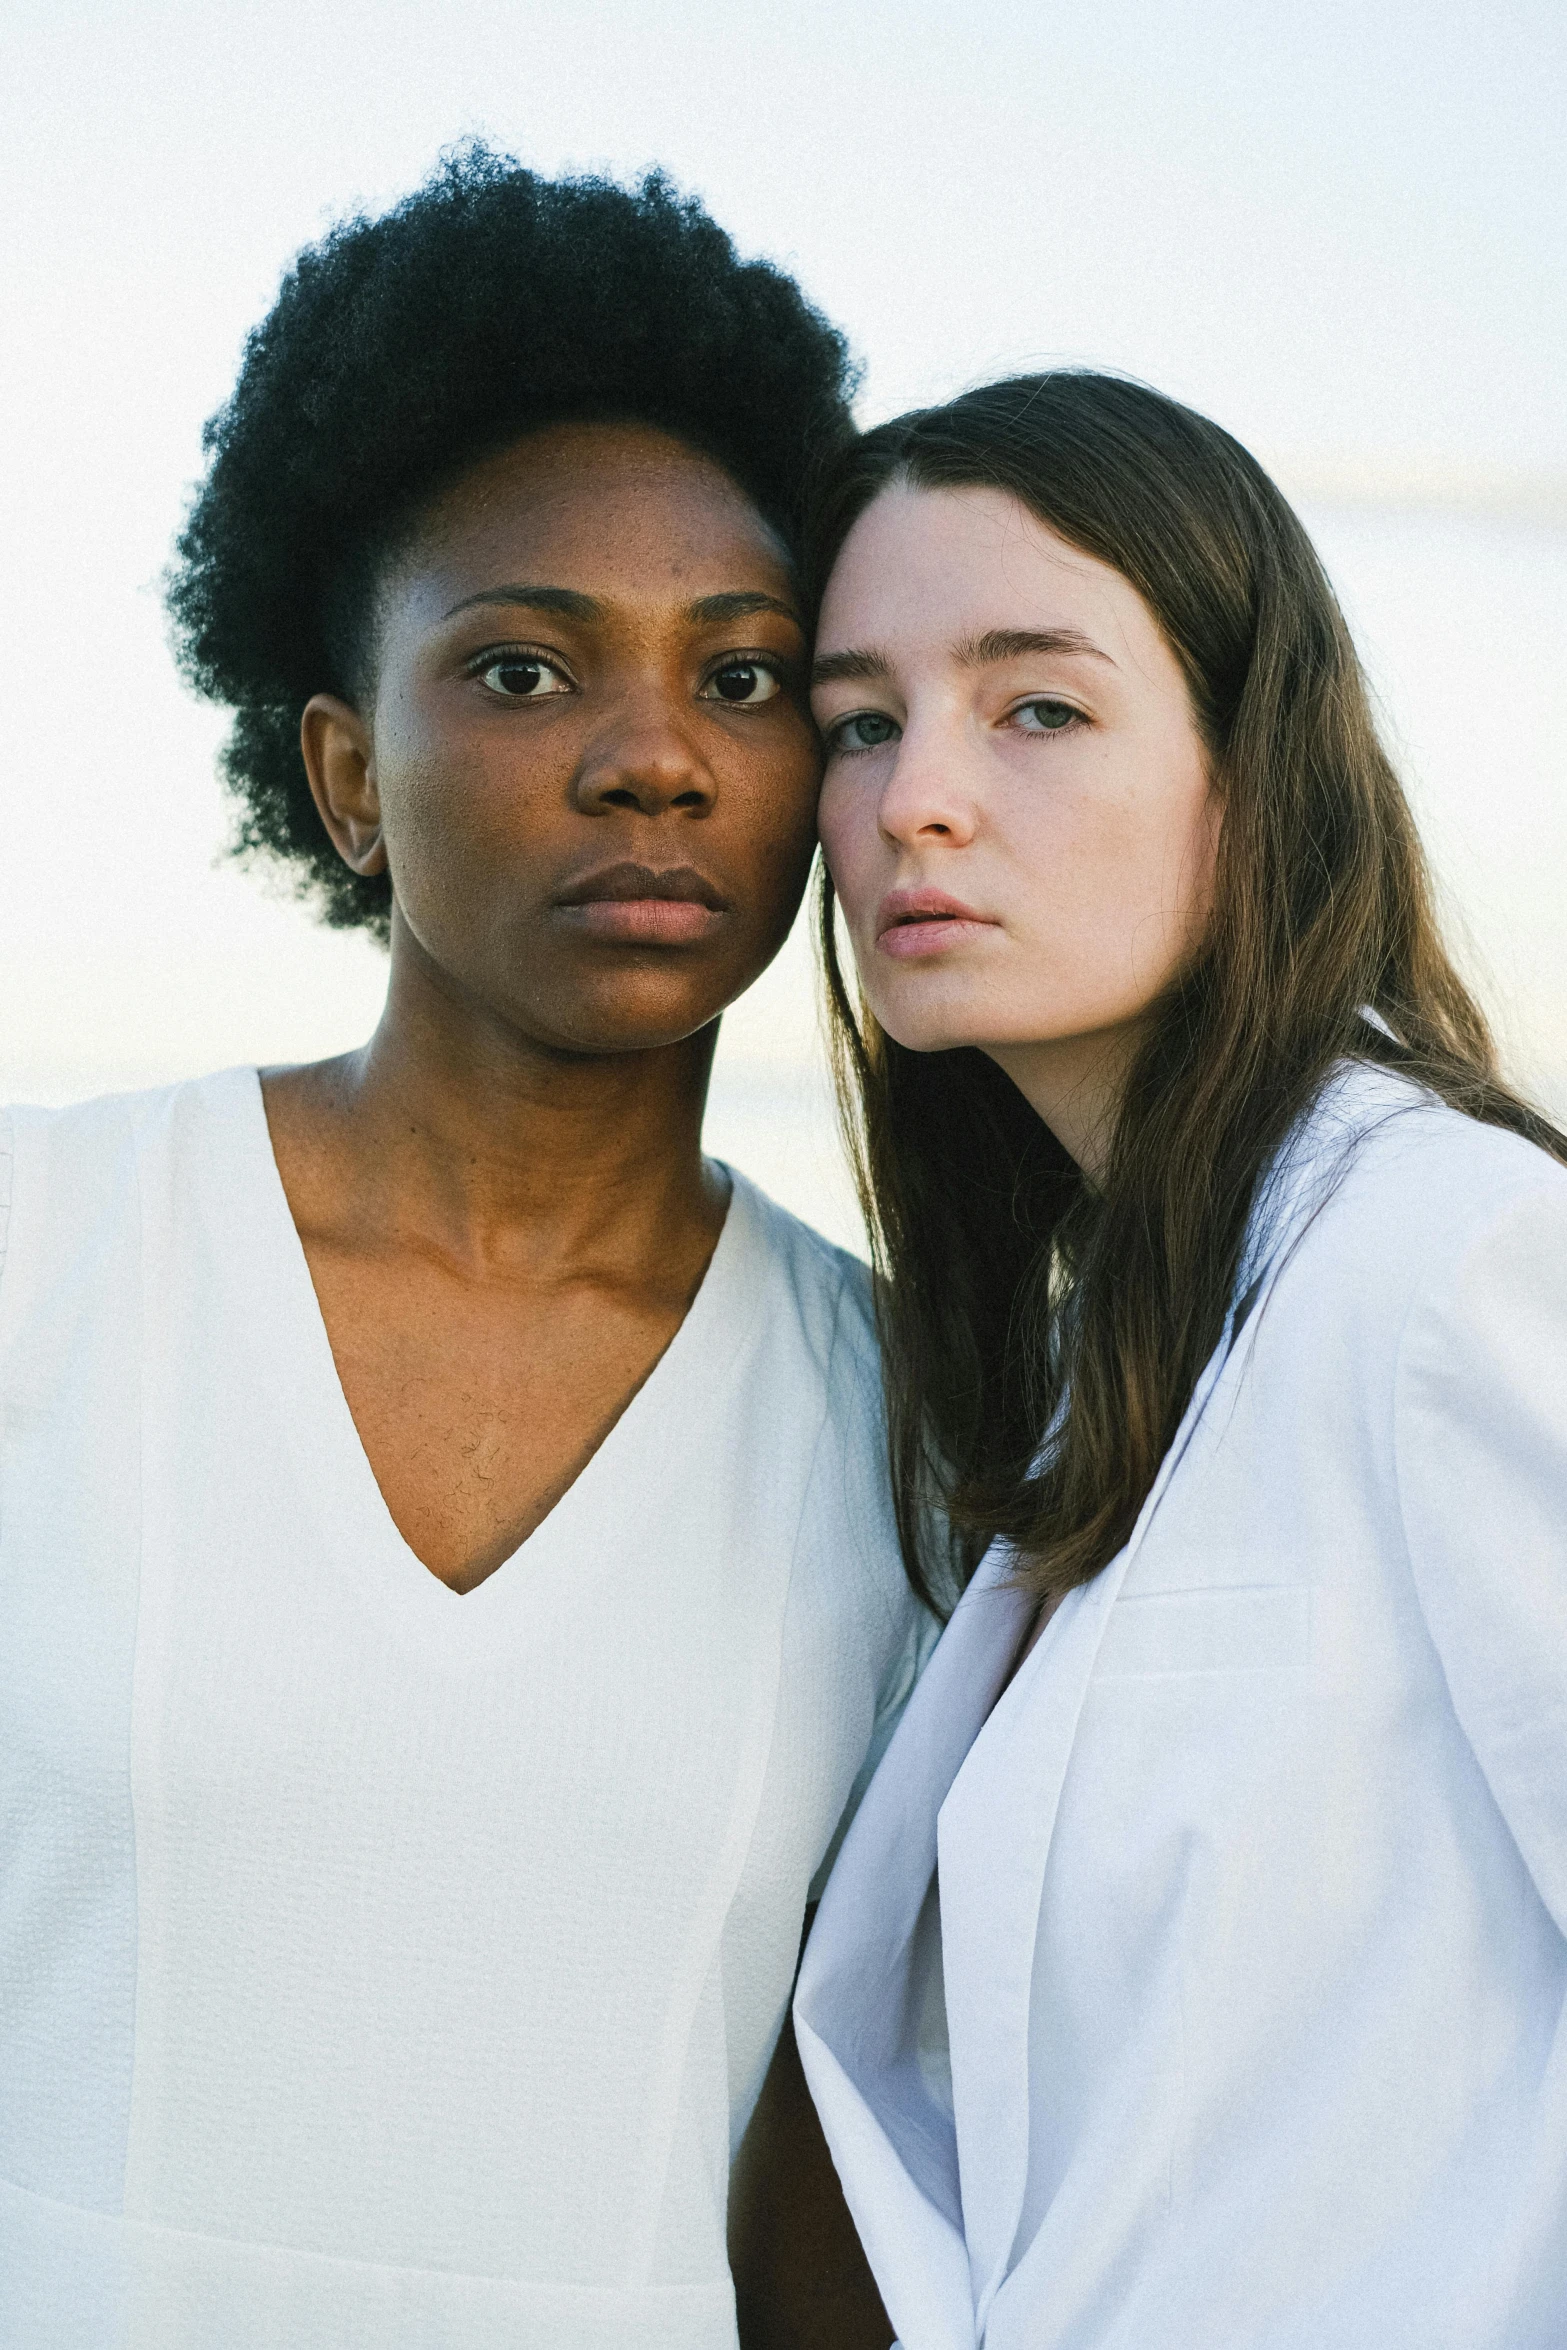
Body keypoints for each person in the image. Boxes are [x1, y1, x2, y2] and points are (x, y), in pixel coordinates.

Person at [0, 148, 931, 2349]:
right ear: (342, 773)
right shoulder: (45, 1248)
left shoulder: (920, 1419)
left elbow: (844, 2194)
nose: (649, 763)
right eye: (522, 674)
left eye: (747, 677)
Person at [793, 372, 1567, 2350]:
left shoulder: (1446, 1252)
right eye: (860, 720)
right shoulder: (1108, 1343)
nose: (914, 796)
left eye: (1033, 703)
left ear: (1254, 760)